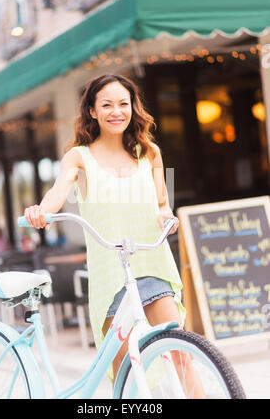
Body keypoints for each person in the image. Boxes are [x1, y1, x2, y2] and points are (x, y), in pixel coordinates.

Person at [24, 74, 196, 391]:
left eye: (123, 104)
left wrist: (165, 216)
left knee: (182, 355)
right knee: (126, 370)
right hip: (111, 275)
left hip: (151, 263)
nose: (116, 111)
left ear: (133, 107)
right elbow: (58, 192)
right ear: (92, 110)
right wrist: (41, 211)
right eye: (106, 105)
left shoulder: (150, 152)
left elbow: (162, 204)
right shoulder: (80, 157)